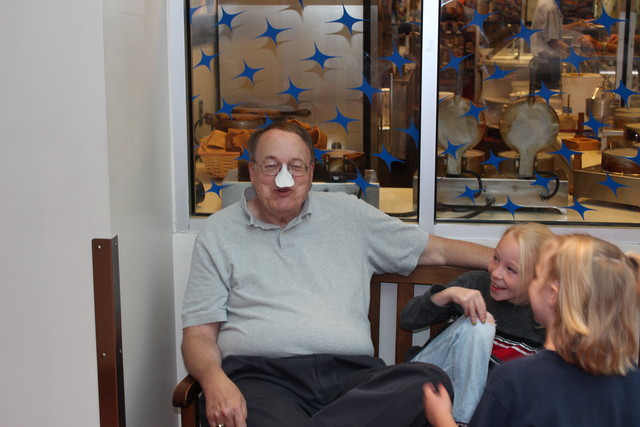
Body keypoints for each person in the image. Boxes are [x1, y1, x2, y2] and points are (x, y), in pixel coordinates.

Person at [181, 120, 493, 427]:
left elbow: (434, 249)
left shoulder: (350, 215)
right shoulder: (218, 232)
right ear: (251, 171)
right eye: (271, 166)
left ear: (311, 172)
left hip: (351, 380)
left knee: (429, 382)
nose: (283, 179)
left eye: (296, 166)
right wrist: (213, 380)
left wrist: (502, 260)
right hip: (263, 381)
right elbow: (198, 335)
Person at [423, 233, 640, 427]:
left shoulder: (515, 379)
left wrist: (442, 419)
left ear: (552, 295)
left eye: (536, 277)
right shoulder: (631, 377)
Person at [400, 222, 554, 423]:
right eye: (495, 259)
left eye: (511, 270)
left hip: (485, 408)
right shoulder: (475, 284)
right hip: (426, 383)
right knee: (481, 324)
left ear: (537, 278)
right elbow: (408, 320)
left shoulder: (546, 317)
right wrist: (447, 295)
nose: (496, 273)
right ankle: (462, 421)